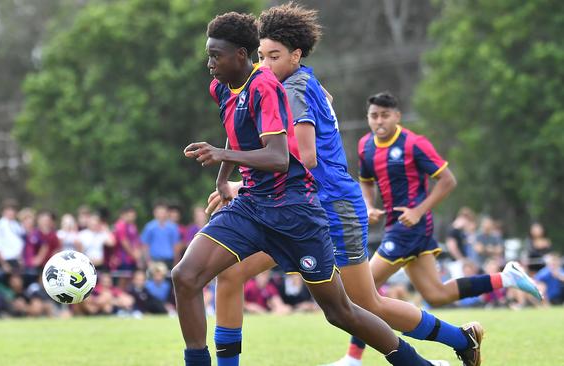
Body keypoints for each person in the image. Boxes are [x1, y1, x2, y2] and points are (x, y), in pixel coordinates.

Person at [203, 5, 463, 366]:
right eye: (261, 56)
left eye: (273, 56)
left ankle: (458, 340)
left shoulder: (292, 88)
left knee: (365, 304)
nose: (264, 64)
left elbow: (305, 157)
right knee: (230, 272)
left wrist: (238, 181)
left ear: (296, 55)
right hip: (290, 206)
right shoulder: (299, 80)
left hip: (330, 204)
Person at [348, 91, 543, 364]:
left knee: (360, 293)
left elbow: (447, 180)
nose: (378, 121)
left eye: (385, 115)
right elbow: (366, 181)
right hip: (397, 227)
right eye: (373, 116)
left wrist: (418, 211)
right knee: (436, 295)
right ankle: (504, 279)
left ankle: (354, 357)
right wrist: (368, 206)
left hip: (410, 228)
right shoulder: (365, 145)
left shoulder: (414, 143)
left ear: (397, 116)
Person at [0, 200, 25, 276]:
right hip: (6, 261)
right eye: (8, 210)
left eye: (13, 210)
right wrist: (4, 264)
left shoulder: (18, 226)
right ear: (3, 212)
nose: (11, 212)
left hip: (18, 262)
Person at [141, 202, 180, 269]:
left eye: (163, 212)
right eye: (159, 212)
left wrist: (176, 262)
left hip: (169, 259)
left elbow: (176, 246)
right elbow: (145, 245)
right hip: (154, 260)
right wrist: (148, 261)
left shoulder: (173, 227)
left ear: (167, 213)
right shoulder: (149, 227)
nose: (161, 214)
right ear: (155, 213)